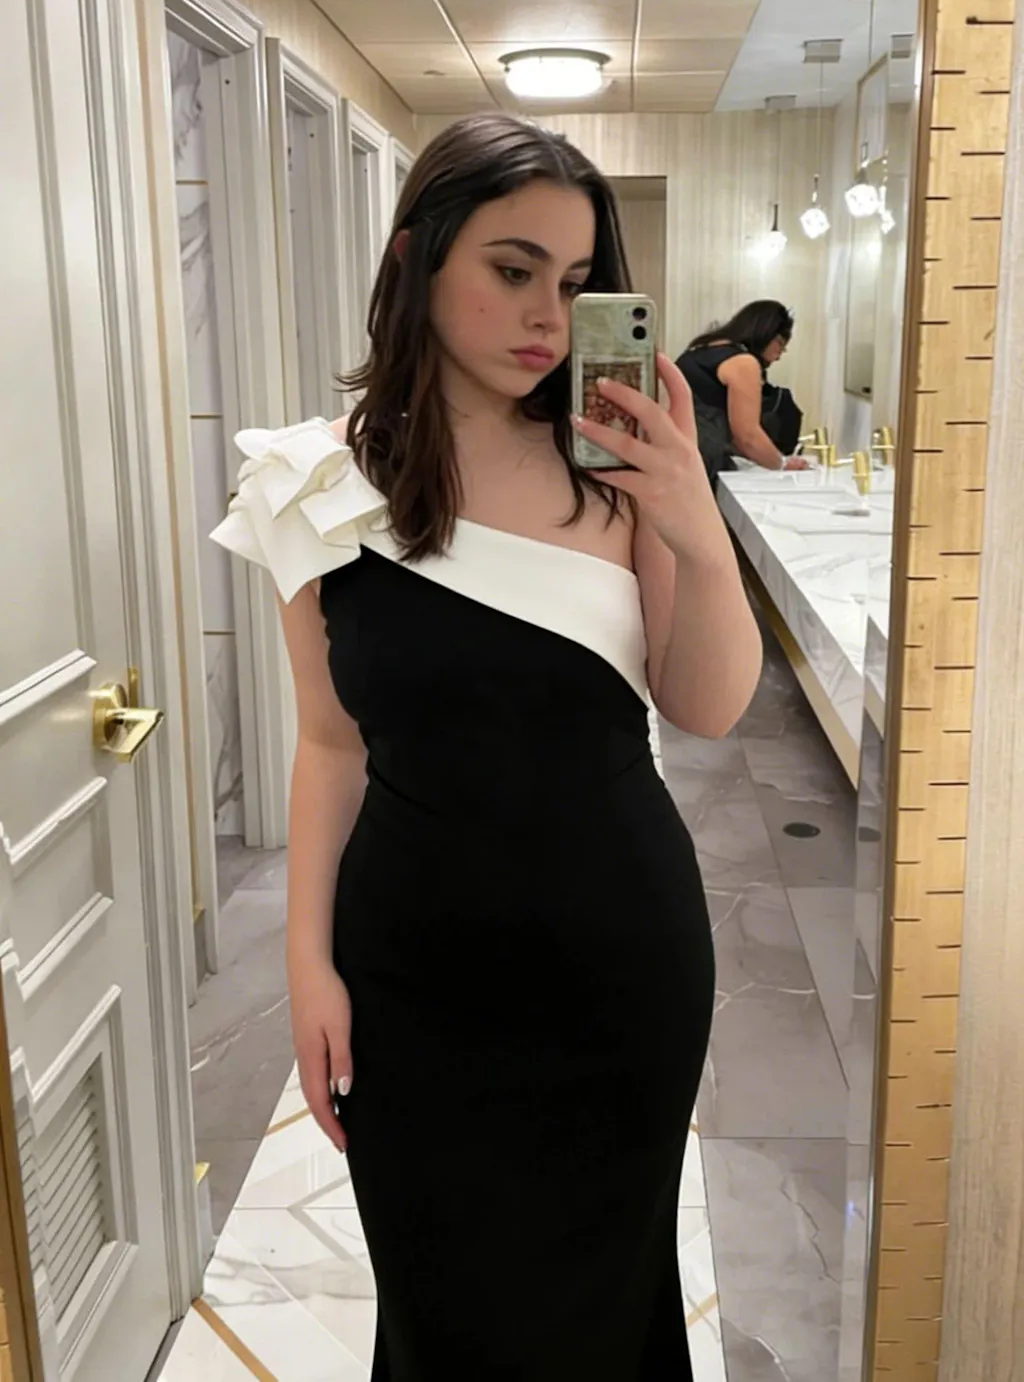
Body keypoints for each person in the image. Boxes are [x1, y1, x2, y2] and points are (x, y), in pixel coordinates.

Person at [211, 114, 762, 1381]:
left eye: (575, 283)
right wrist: (307, 963)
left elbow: (708, 704)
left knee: (608, 1308)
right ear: (417, 259)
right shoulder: (316, 482)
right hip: (411, 970)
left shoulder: (617, 468)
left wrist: (693, 523)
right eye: (512, 270)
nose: (547, 317)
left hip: (617, 963)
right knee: (441, 1307)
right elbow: (327, 742)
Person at [677, 300, 811, 481]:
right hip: (702, 464)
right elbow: (747, 437)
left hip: (677, 454)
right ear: (767, 334)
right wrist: (782, 464)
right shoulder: (743, 363)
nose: (779, 355)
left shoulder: (699, 350)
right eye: (781, 344)